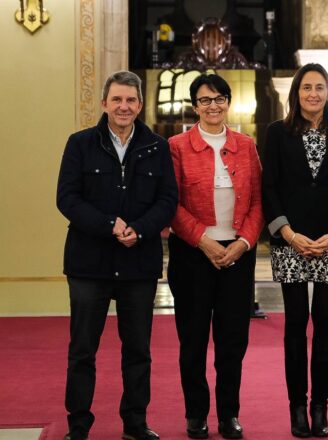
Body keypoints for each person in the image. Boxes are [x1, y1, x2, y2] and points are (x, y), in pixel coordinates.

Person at [56, 70, 178, 440]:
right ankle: (78, 426)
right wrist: (111, 224)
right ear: (105, 103)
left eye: (131, 100)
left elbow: (168, 200)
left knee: (138, 350)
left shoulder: (158, 146)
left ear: (140, 105)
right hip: (89, 264)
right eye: (117, 100)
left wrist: (138, 229)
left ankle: (135, 423)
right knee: (82, 351)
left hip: (138, 263)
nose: (124, 107)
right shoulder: (79, 144)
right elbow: (67, 198)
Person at [261, 63, 328, 438]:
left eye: (320, 87)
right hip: (291, 241)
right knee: (294, 325)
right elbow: (268, 187)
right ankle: (297, 408)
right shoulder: (276, 133)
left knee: (325, 325)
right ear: (296, 93)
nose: (313, 94)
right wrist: (287, 232)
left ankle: (321, 407)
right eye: (307, 87)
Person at [167, 73, 263, 440]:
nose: (213, 106)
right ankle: (196, 413)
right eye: (205, 100)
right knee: (192, 340)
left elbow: (257, 202)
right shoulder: (176, 146)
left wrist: (243, 243)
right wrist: (203, 241)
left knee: (232, 341)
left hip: (238, 254)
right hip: (193, 256)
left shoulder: (246, 145)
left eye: (219, 98)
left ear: (228, 102)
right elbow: (170, 203)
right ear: (195, 106)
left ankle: (229, 414)